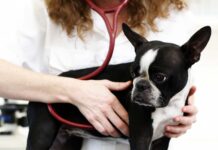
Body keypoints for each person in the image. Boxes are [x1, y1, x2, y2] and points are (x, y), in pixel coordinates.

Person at [0, 0, 198, 149]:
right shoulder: (42, 7)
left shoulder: (176, 12)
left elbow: (179, 81)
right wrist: (71, 90)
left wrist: (180, 111)